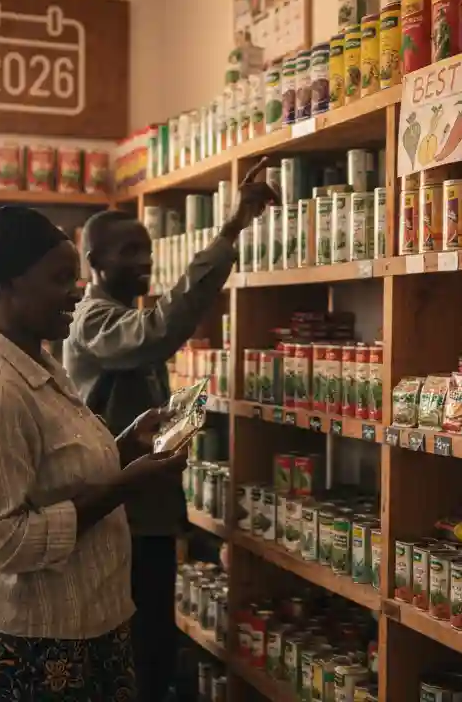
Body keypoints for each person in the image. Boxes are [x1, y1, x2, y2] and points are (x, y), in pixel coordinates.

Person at [0, 206, 187, 701]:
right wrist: (124, 487)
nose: (76, 292)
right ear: (10, 285)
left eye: (75, 277)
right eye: (59, 279)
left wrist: (125, 447)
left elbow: (57, 476)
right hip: (25, 650)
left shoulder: (44, 365)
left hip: (88, 630)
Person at [63, 157, 277, 702]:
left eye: (147, 250)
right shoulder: (94, 318)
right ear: (93, 263)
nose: (144, 261)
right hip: (122, 517)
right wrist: (229, 231)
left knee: (154, 646)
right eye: (128, 252)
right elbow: (157, 333)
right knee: (137, 654)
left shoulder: (119, 312)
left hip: (147, 514)